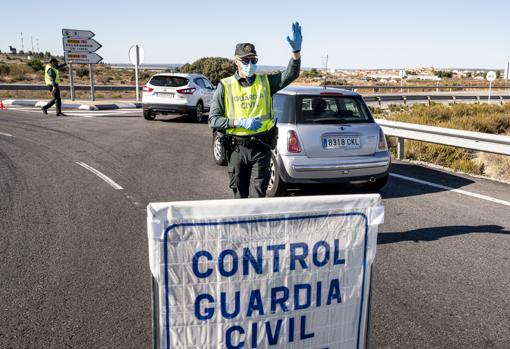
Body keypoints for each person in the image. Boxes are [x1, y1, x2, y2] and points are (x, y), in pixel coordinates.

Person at [208, 22, 302, 198]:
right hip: (237, 148)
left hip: (261, 146)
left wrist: (295, 53)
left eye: (254, 60)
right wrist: (238, 122)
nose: (250, 63)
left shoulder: (266, 82)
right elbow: (213, 120)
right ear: (236, 61)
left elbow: (291, 74)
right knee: (240, 196)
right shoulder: (225, 85)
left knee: (258, 197)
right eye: (245, 60)